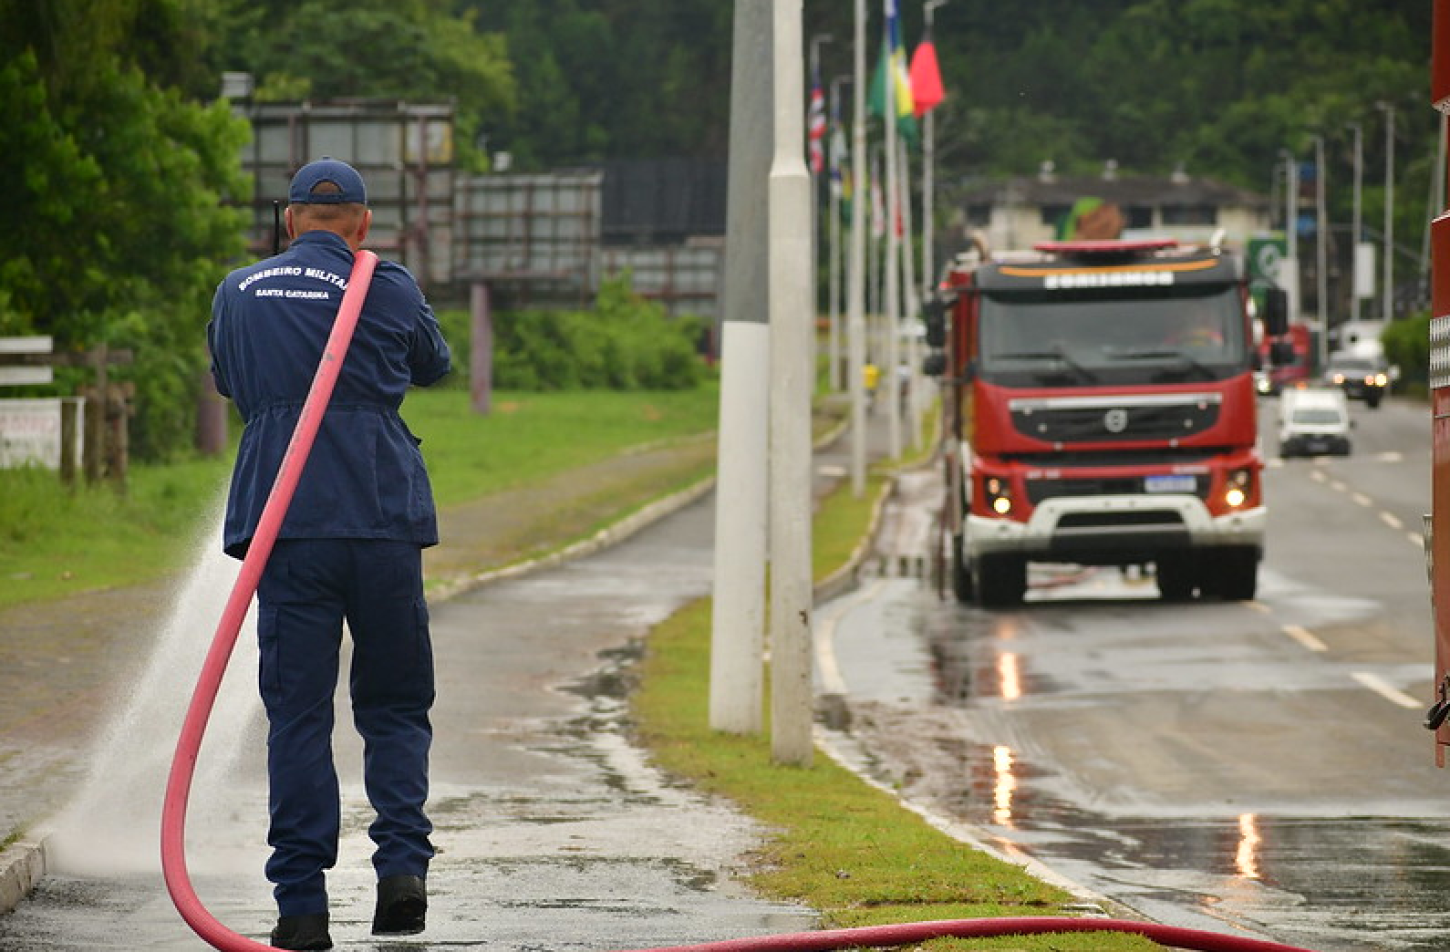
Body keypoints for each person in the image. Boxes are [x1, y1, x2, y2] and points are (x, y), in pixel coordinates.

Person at [207, 157, 452, 951]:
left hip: (287, 527)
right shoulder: (390, 285)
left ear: (288, 223)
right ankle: (402, 876)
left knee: (298, 717)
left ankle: (302, 908)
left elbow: (229, 381)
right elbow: (434, 365)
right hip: (381, 519)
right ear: (363, 224)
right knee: (393, 703)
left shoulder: (239, 291)